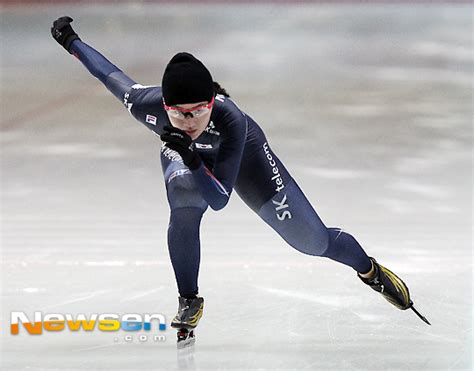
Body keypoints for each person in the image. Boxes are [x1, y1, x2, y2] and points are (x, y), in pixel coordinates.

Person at [51, 16, 429, 345]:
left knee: (312, 242)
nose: (189, 121)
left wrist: (191, 154)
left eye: (198, 111)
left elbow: (219, 199)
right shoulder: (144, 105)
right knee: (183, 197)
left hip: (246, 162)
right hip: (185, 158)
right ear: (164, 106)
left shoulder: (234, 124)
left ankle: (369, 270)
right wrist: (71, 40)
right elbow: (107, 73)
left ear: (212, 102)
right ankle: (189, 298)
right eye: (179, 114)